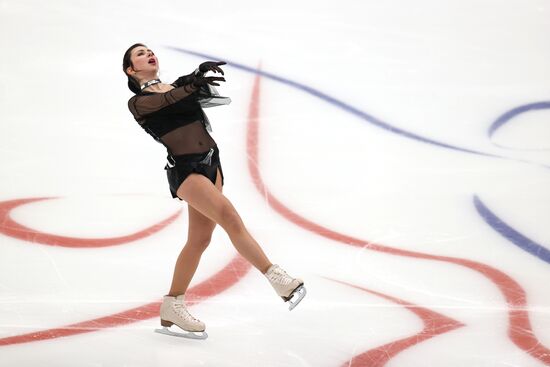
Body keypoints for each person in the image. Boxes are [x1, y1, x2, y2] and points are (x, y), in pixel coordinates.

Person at [123, 43, 306, 339]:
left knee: (199, 240)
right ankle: (277, 279)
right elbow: (169, 100)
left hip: (212, 164)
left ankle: (172, 304)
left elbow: (187, 92)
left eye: (149, 50)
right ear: (131, 70)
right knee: (230, 217)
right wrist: (191, 83)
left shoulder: (177, 85)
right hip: (186, 170)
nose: (149, 54)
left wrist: (198, 75)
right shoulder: (139, 103)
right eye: (140, 54)